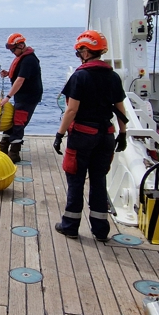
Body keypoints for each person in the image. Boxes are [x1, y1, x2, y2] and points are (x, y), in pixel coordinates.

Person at [53, 30, 128, 242]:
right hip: (106, 136)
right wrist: (123, 133)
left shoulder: (80, 76)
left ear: (86, 52)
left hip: (83, 135)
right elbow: (120, 109)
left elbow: (71, 110)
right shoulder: (113, 77)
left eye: (79, 52)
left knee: (76, 180)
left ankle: (70, 226)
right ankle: (101, 230)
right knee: (99, 180)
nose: (79, 56)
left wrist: (59, 134)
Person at [0, 32, 43, 163]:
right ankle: (3, 148)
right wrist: (9, 73)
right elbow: (19, 74)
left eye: (13, 49)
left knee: (19, 122)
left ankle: (14, 153)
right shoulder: (23, 58)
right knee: (11, 121)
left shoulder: (29, 60)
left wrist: (7, 97)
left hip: (28, 97)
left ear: (21, 45)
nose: (12, 52)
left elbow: (20, 80)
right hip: (21, 96)